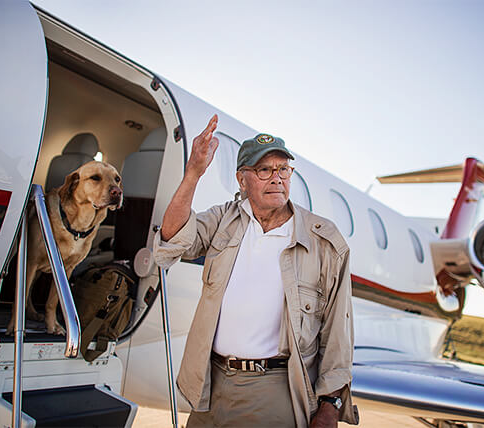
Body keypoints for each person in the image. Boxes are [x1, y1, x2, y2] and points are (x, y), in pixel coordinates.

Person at [153, 115, 359, 427]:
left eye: (283, 169)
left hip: (273, 389)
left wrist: (330, 403)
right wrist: (193, 174)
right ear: (242, 179)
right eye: (265, 169)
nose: (277, 178)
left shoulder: (324, 241)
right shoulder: (224, 219)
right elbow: (171, 240)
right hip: (211, 384)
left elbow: (337, 332)